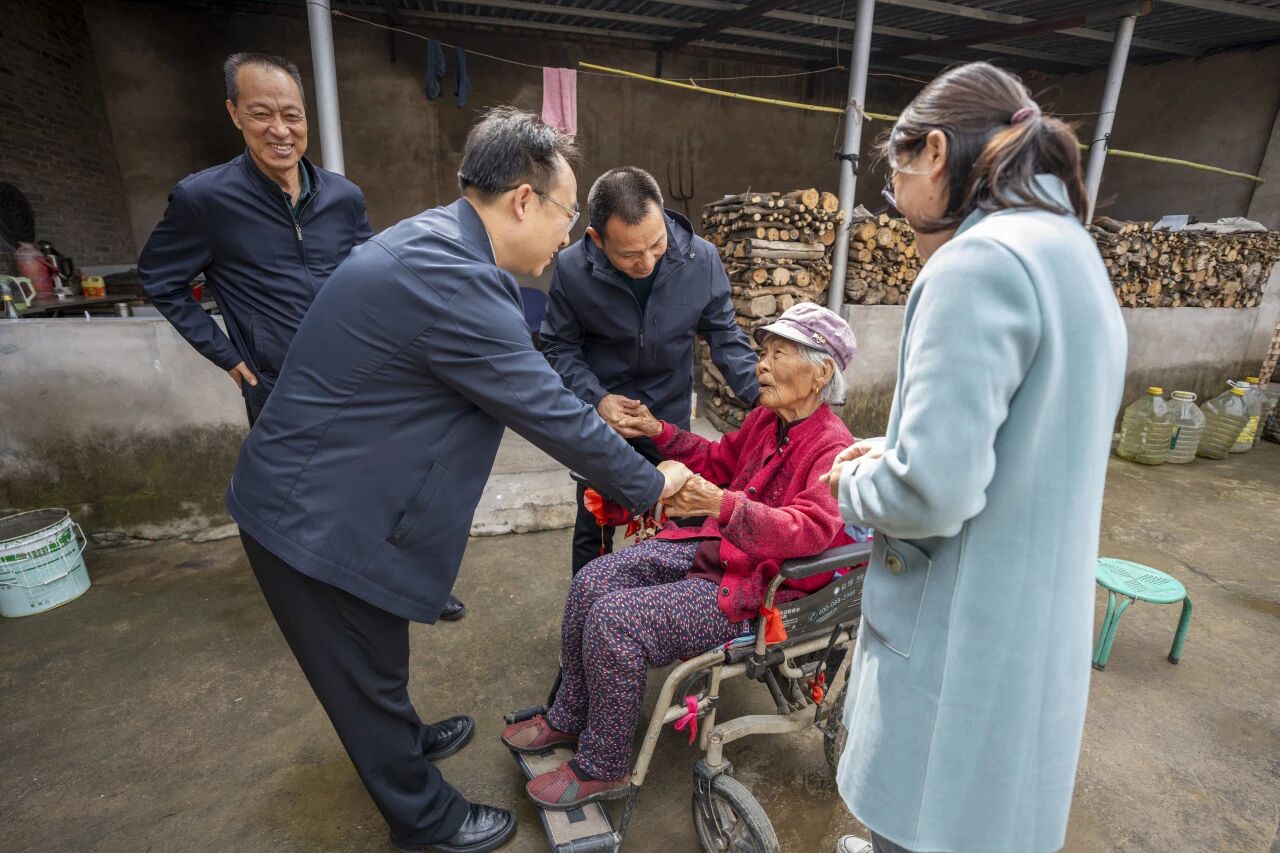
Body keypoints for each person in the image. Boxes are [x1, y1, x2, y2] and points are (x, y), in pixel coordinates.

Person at [225, 107, 693, 853]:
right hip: (312, 518)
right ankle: (426, 821)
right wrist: (652, 484)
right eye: (568, 215)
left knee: (377, 649)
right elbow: (547, 409)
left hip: (336, 493)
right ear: (524, 200)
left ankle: (404, 735)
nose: (566, 237)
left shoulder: (438, 243)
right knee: (360, 676)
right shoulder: (454, 279)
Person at [825, 63, 1127, 853]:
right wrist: (896, 448)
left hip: (961, 643)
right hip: (1029, 633)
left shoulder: (975, 263)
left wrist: (854, 480)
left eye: (894, 181)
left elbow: (932, 493)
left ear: (932, 151)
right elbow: (1026, 440)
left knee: (928, 822)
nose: (899, 209)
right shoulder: (1071, 251)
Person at [136, 54, 473, 621]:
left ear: (306, 116)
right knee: (306, 498)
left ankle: (409, 582)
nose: (280, 130)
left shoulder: (343, 196)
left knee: (386, 481)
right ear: (234, 114)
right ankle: (329, 604)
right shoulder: (204, 200)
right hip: (278, 382)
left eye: (291, 114)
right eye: (261, 114)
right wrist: (226, 355)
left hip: (361, 374)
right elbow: (159, 279)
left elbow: (374, 276)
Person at [502, 303, 857, 808]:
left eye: (779, 354)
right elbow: (717, 460)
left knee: (616, 622)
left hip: (752, 588)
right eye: (764, 353)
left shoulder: (832, 446)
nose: (761, 364)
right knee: (592, 581)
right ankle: (569, 714)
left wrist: (721, 504)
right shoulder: (766, 419)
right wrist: (657, 431)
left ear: (821, 373)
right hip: (714, 548)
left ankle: (604, 765)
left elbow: (810, 530)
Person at [541, 166, 759, 574]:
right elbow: (558, 345)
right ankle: (587, 604)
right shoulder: (572, 269)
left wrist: (763, 399)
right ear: (597, 239)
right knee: (595, 525)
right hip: (603, 420)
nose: (646, 261)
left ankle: (666, 604)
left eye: (657, 244)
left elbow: (725, 337)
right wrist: (597, 398)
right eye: (629, 254)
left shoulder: (700, 258)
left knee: (682, 522)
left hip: (667, 419)